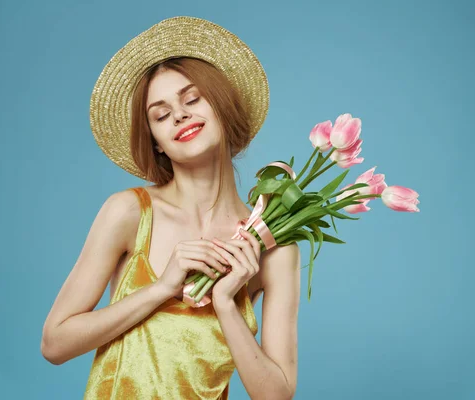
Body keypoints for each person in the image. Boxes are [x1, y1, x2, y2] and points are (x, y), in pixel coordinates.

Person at [40, 16, 301, 399]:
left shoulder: (271, 245)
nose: (179, 115)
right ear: (158, 142)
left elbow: (276, 394)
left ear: (223, 106)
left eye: (192, 99)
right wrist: (161, 289)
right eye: (161, 115)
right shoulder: (128, 212)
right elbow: (55, 344)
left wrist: (227, 304)